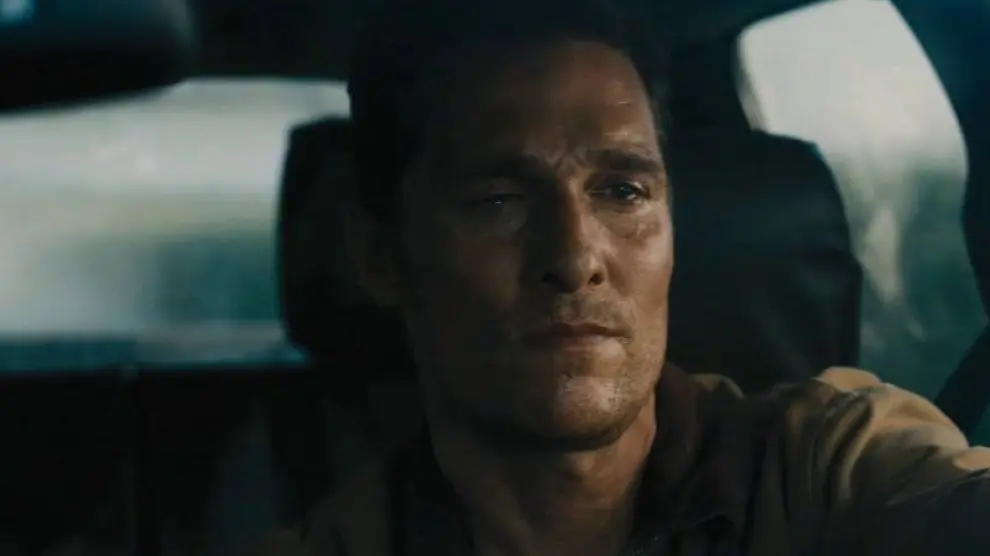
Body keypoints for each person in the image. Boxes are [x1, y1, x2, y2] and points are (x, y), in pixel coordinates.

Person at [251, 0, 990, 554]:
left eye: (623, 192)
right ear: (381, 258)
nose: (577, 259)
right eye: (499, 201)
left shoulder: (827, 467)